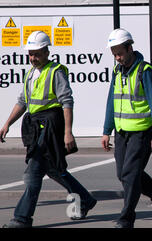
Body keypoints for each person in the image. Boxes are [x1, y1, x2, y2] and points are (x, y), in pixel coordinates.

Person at [0, 31, 97, 228]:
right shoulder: (30, 74)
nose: (33, 58)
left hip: (51, 127)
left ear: (46, 52)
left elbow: (66, 102)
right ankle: (85, 199)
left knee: (33, 173)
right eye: (30, 54)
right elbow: (23, 102)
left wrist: (68, 132)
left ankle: (21, 219)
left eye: (37, 53)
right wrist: (7, 123)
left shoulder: (56, 71)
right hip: (36, 127)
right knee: (53, 169)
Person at [101, 28, 152, 228]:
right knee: (123, 175)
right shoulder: (117, 71)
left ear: (130, 48)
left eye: (120, 53)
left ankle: (126, 219)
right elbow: (111, 102)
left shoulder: (145, 71)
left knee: (130, 174)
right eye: (114, 53)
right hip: (121, 132)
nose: (117, 57)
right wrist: (107, 130)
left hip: (142, 132)